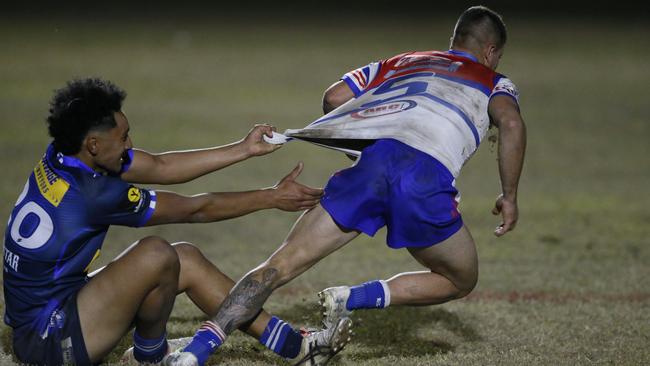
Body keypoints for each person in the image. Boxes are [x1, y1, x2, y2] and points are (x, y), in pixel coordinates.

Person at [168, 5, 526, 365]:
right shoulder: (495, 80)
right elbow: (510, 124)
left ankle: (195, 354)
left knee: (278, 265)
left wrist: (362, 148)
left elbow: (336, 96)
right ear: (491, 52)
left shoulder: (406, 60)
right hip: (424, 177)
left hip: (370, 167)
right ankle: (352, 297)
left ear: (454, 40)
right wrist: (508, 195)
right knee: (459, 279)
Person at [2, 77, 353, 366]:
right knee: (156, 254)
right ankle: (150, 359)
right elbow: (194, 209)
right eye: (122, 138)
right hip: (49, 337)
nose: (130, 145)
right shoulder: (93, 194)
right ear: (93, 144)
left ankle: (296, 347)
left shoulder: (64, 155)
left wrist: (244, 149)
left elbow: (159, 167)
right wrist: (271, 197)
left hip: (58, 305)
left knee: (184, 258)